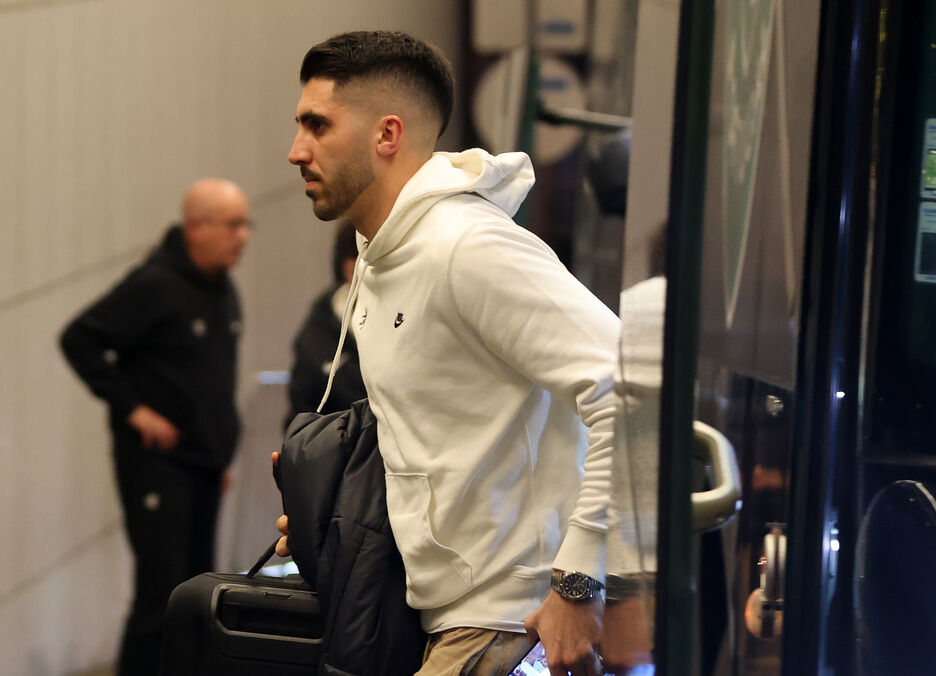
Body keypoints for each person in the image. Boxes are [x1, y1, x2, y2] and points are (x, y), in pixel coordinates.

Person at [278, 31, 620, 676]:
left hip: (509, 623)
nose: (297, 150)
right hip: (443, 619)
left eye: (317, 126)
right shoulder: (382, 259)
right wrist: (330, 506)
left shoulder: (469, 247)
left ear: (387, 134)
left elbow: (627, 392)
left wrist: (579, 582)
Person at [59, 178, 251, 676]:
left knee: (198, 597)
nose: (244, 236)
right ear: (197, 228)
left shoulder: (221, 287)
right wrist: (133, 409)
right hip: (158, 468)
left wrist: (219, 455)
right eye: (233, 225)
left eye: (245, 224)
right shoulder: (155, 286)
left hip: (203, 467)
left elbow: (212, 383)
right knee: (160, 598)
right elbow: (78, 339)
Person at [285, 220, 367, 425]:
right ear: (346, 267)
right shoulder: (320, 328)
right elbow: (300, 416)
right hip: (339, 443)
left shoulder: (408, 314)